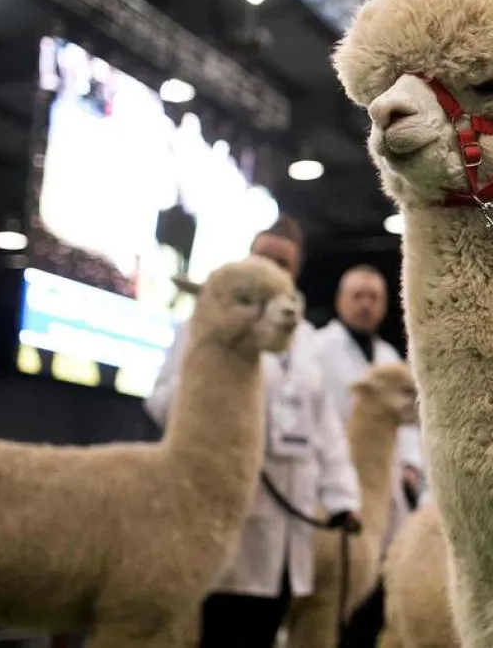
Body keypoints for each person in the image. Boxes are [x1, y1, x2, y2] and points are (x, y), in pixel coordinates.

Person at [146, 215, 362, 648]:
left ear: (294, 275)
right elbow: (162, 400)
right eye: (264, 257)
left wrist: (343, 499)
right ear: (248, 258)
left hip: (288, 528)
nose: (271, 268)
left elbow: (327, 432)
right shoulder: (206, 322)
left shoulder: (308, 342)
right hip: (220, 519)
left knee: (264, 630)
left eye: (282, 263)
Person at [310, 263, 422, 648]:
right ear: (341, 300)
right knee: (329, 597)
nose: (365, 304)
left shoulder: (390, 357)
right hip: (335, 485)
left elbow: (408, 427)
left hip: (384, 489)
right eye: (357, 295)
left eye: (373, 297)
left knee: (372, 597)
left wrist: (411, 466)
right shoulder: (320, 350)